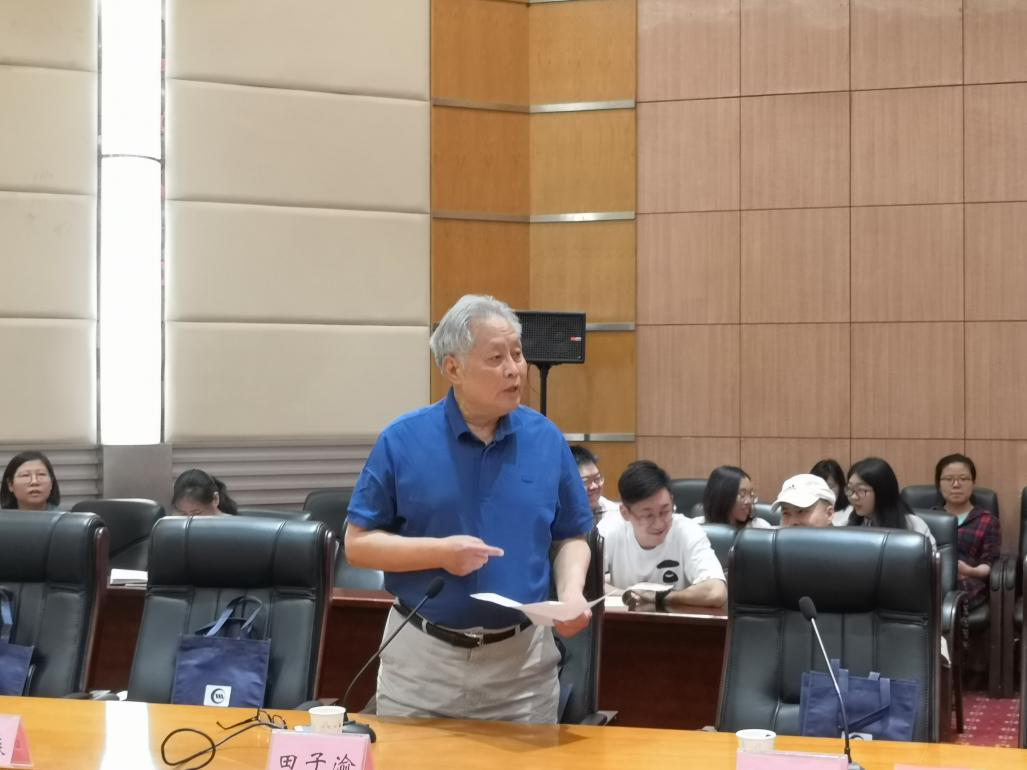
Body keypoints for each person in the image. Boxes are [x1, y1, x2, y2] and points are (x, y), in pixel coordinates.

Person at [345, 294, 592, 724]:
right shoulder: (402, 440)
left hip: (522, 668)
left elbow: (572, 535)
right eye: (496, 358)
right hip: (423, 664)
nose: (514, 369)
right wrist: (440, 553)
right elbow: (358, 545)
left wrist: (571, 593)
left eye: (517, 353)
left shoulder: (545, 438)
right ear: (453, 368)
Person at [598, 460, 726, 608]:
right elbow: (583, 585)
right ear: (625, 513)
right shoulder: (608, 530)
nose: (659, 524)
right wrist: (630, 595)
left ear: (671, 500)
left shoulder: (687, 531)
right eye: (648, 515)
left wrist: (659, 597)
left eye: (665, 511)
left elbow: (716, 592)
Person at [933, 453, 1001, 610]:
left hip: (967, 584)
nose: (956, 485)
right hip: (932, 580)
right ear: (938, 484)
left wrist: (969, 570)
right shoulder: (929, 518)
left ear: (973, 483)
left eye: (963, 479)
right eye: (948, 479)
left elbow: (989, 563)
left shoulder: (987, 520)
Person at [840, 457, 935, 546]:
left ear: (882, 491)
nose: (853, 497)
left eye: (861, 490)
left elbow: (929, 557)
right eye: (850, 489)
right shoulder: (847, 520)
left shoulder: (914, 526)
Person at [693, 465, 771, 530]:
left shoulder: (759, 527)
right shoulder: (695, 527)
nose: (749, 501)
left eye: (751, 494)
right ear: (721, 496)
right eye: (742, 494)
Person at [570, 444, 619, 526]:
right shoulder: (554, 517)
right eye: (585, 481)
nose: (594, 486)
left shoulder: (614, 514)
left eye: (597, 479)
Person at [171, 469, 238, 516]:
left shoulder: (233, 526)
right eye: (183, 514)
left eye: (196, 513)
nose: (188, 520)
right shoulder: (174, 524)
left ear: (215, 499)